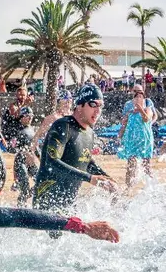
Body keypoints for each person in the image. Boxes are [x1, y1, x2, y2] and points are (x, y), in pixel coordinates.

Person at [33, 84, 118, 213]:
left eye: (100, 106)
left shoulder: (89, 133)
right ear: (79, 105)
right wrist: (90, 178)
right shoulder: (63, 126)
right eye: (93, 104)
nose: (98, 110)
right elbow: (51, 162)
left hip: (67, 205)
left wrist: (109, 181)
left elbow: (86, 162)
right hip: (46, 205)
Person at [117, 84, 156, 189]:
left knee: (146, 164)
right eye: (136, 93)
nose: (138, 97)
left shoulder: (148, 104)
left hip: (145, 139)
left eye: (140, 94)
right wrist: (120, 135)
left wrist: (140, 109)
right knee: (131, 164)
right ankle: (128, 187)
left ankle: (151, 187)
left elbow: (147, 118)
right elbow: (124, 122)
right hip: (132, 138)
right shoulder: (128, 105)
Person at [28, 89, 73, 168]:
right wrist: (32, 151)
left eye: (69, 100)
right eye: (65, 100)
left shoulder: (74, 117)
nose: (67, 102)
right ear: (59, 102)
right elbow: (37, 135)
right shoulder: (53, 118)